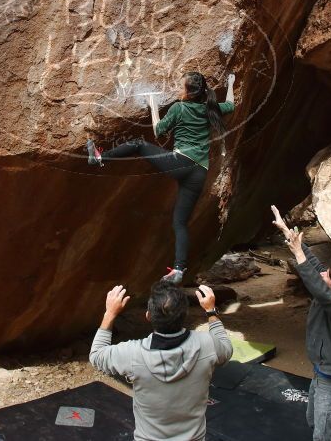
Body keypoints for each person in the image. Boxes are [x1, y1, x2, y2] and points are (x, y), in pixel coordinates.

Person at [86, 72, 235, 284]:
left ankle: (100, 159)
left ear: (188, 91)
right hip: (199, 171)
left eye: (180, 85)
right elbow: (231, 104)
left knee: (138, 144)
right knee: (180, 223)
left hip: (181, 163)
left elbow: (158, 131)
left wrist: (153, 104)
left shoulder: (179, 108)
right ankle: (179, 269)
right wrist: (231, 83)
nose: (178, 88)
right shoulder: (210, 108)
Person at [89, 282, 233, 441]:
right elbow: (226, 349)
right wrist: (211, 311)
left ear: (148, 316)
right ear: (185, 314)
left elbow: (96, 355)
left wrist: (110, 313)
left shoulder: (132, 354)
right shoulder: (207, 344)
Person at [271, 205, 331, 441]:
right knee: (312, 421)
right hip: (321, 375)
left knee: (323, 436)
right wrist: (288, 233)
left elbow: (318, 288)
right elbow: (315, 266)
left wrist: (298, 256)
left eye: (327, 277)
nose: (323, 274)